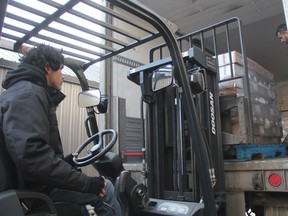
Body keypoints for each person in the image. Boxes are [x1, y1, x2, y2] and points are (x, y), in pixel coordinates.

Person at [0, 44, 123, 216]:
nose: (63, 76)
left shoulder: (21, 92)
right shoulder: (29, 94)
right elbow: (33, 159)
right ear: (48, 68)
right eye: (61, 69)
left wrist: (66, 162)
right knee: (106, 187)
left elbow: (29, 152)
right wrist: (89, 184)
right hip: (32, 192)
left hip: (29, 183)